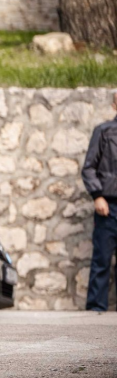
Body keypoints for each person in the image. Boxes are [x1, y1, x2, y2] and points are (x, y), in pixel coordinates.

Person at [82, 91, 117, 313]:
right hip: (108, 207)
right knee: (102, 260)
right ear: (115, 104)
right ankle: (96, 309)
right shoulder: (103, 132)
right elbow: (88, 168)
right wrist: (98, 196)